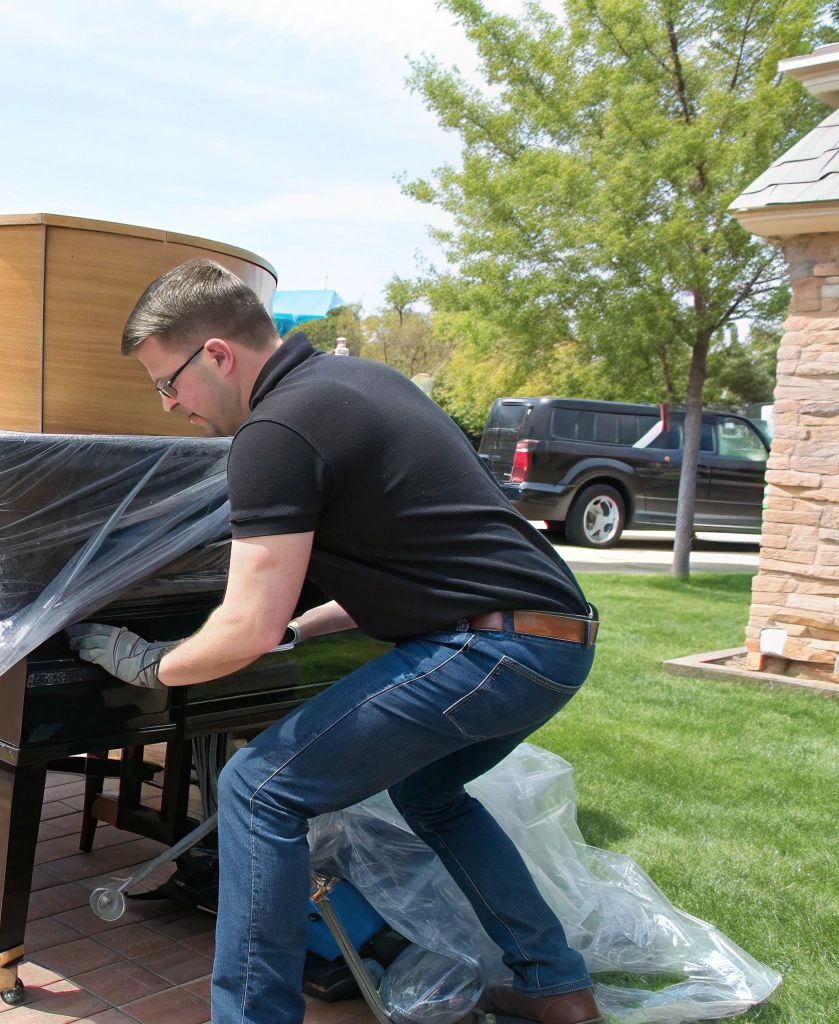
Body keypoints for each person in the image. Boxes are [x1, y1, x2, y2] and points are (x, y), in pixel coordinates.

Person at [70, 260, 602, 1024]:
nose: (169, 405)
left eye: (168, 382)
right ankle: (557, 988)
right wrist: (294, 626)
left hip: (491, 651)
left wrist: (150, 663)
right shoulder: (362, 382)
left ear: (217, 354)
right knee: (432, 795)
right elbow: (408, 565)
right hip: (555, 642)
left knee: (258, 788)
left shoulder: (274, 431)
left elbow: (243, 627)